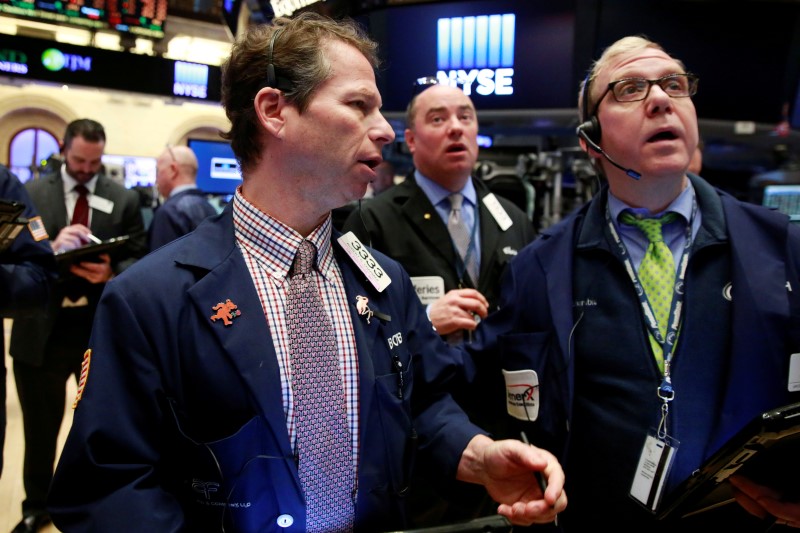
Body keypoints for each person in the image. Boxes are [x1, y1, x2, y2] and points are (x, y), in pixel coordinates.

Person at [46, 13, 566, 533]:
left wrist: (478, 456)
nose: (385, 131)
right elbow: (107, 489)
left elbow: (423, 404)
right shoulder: (150, 299)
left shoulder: (383, 281)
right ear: (274, 110)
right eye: (359, 105)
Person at [466, 35, 800, 531]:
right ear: (589, 139)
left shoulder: (783, 246)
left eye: (674, 84)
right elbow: (476, 388)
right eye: (629, 89)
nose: (661, 98)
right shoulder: (539, 268)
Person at [342, 82, 536, 526]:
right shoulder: (372, 218)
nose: (455, 128)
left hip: (498, 428)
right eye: (438, 119)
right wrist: (424, 320)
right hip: (420, 437)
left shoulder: (512, 218)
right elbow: (355, 329)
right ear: (409, 141)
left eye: (465, 117)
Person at [9, 119, 147, 533]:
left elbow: (141, 256)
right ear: (64, 150)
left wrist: (112, 272)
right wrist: (51, 247)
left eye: (94, 161)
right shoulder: (32, 193)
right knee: (40, 429)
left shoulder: (121, 198)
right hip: (41, 331)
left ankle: (89, 508)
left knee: (97, 426)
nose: (87, 168)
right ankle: (35, 507)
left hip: (97, 330)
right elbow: (17, 256)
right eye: (79, 159)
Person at [0, 166, 57, 479]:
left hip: (76, 327)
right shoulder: (37, 188)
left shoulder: (5, 184)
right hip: (36, 341)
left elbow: (38, 275)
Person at [148, 144, 217, 251]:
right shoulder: (210, 208)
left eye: (158, 171)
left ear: (173, 170)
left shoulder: (169, 212)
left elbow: (159, 264)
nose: (156, 180)